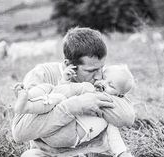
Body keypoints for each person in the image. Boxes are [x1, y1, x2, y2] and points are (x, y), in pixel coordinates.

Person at [11, 27, 135, 157]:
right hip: (51, 154)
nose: (99, 76)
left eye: (101, 67)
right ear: (68, 64)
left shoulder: (105, 78)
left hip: (94, 152)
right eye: (90, 70)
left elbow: (127, 116)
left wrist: (93, 95)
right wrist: (75, 105)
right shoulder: (42, 74)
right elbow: (20, 132)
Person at [13, 64, 134, 149]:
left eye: (111, 86)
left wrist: (121, 153)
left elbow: (115, 136)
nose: (101, 81)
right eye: (104, 78)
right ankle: (27, 99)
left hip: (69, 134)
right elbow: (19, 133)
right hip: (52, 131)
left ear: (120, 95)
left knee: (57, 98)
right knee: (52, 92)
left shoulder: (106, 104)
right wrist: (65, 81)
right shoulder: (43, 72)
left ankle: (29, 104)